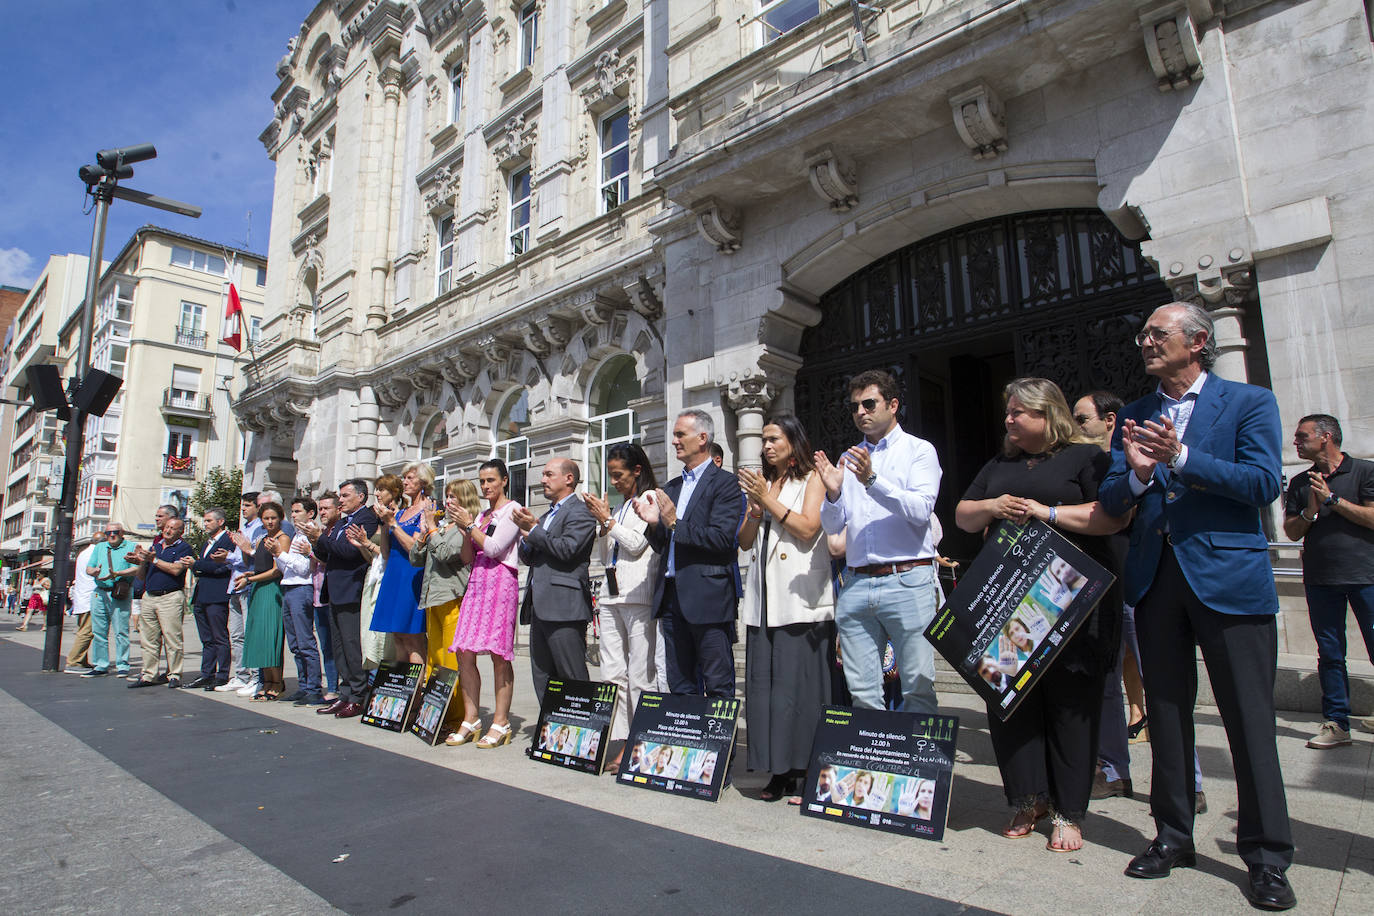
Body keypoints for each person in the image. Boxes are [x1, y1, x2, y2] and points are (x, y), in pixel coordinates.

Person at [1100, 302, 1295, 910]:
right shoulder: (1133, 415)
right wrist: (1134, 476)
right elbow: (1111, 497)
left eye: (1158, 333)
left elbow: (1264, 483)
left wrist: (1182, 458)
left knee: (1248, 720)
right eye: (1144, 335)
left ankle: (1265, 856)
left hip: (1229, 579)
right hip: (1157, 582)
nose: (1146, 343)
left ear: (1198, 340)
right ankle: (1173, 835)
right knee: (1166, 714)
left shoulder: (1248, 403)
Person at [956, 377, 1126, 853]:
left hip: (1068, 598)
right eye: (1007, 413)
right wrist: (992, 505)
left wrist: (1045, 512)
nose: (1008, 420)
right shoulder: (999, 463)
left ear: (1046, 415)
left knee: (1071, 704)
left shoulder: (1086, 457)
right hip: (1008, 603)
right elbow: (963, 516)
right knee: (1009, 704)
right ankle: (1027, 797)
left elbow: (1111, 517)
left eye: (1018, 413)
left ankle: (1069, 812)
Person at [815, 369, 943, 715]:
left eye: (869, 403)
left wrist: (871, 479)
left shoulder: (919, 451)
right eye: (855, 406)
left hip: (906, 578)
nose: (861, 412)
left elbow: (920, 510)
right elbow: (832, 525)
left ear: (893, 404)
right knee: (862, 692)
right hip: (857, 581)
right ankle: (872, 766)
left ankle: (918, 765)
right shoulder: (849, 457)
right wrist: (834, 492)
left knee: (917, 685)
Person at [737, 415, 835, 802]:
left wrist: (768, 500)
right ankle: (777, 770)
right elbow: (745, 542)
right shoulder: (767, 484)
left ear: (794, 441)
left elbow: (810, 529)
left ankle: (806, 768)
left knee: (799, 692)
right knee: (767, 691)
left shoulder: (812, 478)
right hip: (764, 601)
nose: (766, 446)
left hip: (800, 600)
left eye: (774, 438)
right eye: (763, 440)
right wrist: (756, 509)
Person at [637, 409, 745, 698]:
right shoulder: (671, 487)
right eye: (674, 435)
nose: (673, 441)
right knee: (681, 685)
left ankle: (722, 744)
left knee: (718, 684)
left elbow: (723, 539)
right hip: (672, 599)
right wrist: (654, 526)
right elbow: (664, 546)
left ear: (702, 438)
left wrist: (674, 523)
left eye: (679, 434)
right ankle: (689, 744)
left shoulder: (726, 484)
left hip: (707, 598)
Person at [1282, 413, 1374, 749]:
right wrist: (1310, 509)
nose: (1295, 442)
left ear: (1326, 437)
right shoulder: (1300, 482)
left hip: (1367, 576)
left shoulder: (1365, 471)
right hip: (1321, 579)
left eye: (1302, 436)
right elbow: (1292, 532)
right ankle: (1337, 722)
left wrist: (1334, 500)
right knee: (1331, 653)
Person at [584, 443, 660, 769]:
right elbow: (606, 555)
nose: (614, 481)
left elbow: (637, 544)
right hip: (611, 595)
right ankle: (621, 740)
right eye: (611, 476)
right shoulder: (620, 507)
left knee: (641, 673)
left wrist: (609, 522)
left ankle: (644, 742)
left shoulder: (649, 499)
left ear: (637, 471)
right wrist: (604, 525)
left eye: (619, 475)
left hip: (638, 594)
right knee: (613, 672)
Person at [448, 460, 521, 746]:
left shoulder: (512, 510)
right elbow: (468, 556)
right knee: (464, 649)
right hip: (477, 582)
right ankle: (471, 717)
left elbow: (493, 548)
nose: (486, 486)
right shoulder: (482, 516)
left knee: (498, 654)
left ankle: (501, 721)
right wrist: (465, 528)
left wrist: (469, 525)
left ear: (504, 480)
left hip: (501, 581)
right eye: (482, 481)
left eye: (491, 480)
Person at [513, 458, 598, 706]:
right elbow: (530, 556)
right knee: (542, 676)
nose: (542, 480)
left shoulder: (580, 511)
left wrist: (535, 531)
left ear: (568, 479)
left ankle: (583, 735)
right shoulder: (547, 514)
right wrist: (525, 533)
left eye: (549, 474)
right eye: (543, 474)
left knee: (572, 676)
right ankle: (550, 734)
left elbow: (567, 550)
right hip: (540, 606)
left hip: (565, 608)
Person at [411, 478, 479, 740]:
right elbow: (416, 559)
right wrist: (422, 534)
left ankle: (459, 717)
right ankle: (438, 714)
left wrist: (431, 529)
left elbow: (444, 554)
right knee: (435, 660)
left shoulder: (463, 526)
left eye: (454, 497)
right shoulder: (440, 526)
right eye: (447, 496)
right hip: (432, 599)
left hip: (453, 598)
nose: (448, 501)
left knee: (452, 661)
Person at [305, 479, 380, 718]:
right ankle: (345, 692)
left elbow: (350, 552)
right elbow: (325, 552)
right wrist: (315, 539)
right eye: (340, 495)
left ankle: (359, 694)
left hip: (351, 589)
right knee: (338, 646)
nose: (341, 500)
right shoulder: (341, 523)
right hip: (335, 590)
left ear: (361, 497)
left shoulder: (365, 519)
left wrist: (322, 538)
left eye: (346, 495)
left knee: (351, 644)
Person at [367, 463, 435, 665]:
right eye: (404, 477)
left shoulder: (428, 509)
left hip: (411, 576)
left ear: (423, 481)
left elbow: (415, 547)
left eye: (410, 478)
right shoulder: (400, 512)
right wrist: (384, 522)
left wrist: (394, 525)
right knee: (396, 636)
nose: (405, 482)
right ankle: (401, 692)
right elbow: (386, 552)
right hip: (393, 575)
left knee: (412, 637)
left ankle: (415, 691)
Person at [129, 517, 192, 688]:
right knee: (148, 639)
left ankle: (174, 674)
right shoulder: (155, 547)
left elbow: (176, 569)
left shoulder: (183, 548)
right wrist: (141, 560)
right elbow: (141, 576)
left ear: (181, 532)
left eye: (173, 528)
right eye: (167, 527)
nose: (168, 530)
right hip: (150, 596)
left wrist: (154, 560)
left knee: (172, 638)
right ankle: (148, 674)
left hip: (170, 596)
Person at [275, 497, 325, 705]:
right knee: (295, 642)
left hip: (301, 588)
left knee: (305, 641)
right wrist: (278, 555)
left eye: (297, 511)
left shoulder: (308, 535)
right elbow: (285, 567)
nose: (293, 515)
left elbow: (305, 568)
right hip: (289, 586)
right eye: (292, 511)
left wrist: (281, 555)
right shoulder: (297, 535)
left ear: (310, 513)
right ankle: (304, 686)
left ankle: (313, 688)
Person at [353, 474, 404, 669]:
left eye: (382, 489)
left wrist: (368, 543)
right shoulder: (380, 518)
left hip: (391, 579)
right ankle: (378, 684)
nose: (377, 493)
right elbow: (378, 556)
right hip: (375, 576)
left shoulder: (400, 516)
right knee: (370, 633)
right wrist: (363, 545)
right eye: (377, 489)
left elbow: (391, 554)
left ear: (395, 492)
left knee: (389, 639)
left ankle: (393, 680)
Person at [186, 508, 236, 689]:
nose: (205, 524)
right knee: (206, 638)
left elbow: (222, 567)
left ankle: (222, 674)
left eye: (209, 521)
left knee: (219, 636)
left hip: (216, 595)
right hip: (202, 594)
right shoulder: (208, 542)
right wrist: (196, 566)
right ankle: (207, 673)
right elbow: (205, 566)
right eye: (205, 521)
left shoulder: (227, 540)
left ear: (220, 521)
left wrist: (197, 564)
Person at [83, 524, 138, 679]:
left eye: (115, 532)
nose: (112, 535)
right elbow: (89, 568)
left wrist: (117, 573)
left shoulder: (132, 546)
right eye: (108, 533)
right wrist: (93, 572)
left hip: (119, 592)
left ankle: (122, 665)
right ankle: (100, 665)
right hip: (100, 592)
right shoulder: (100, 547)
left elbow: (136, 568)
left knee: (121, 631)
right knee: (98, 631)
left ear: (122, 533)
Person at [220, 492, 261, 694]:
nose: (243, 509)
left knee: (249, 632)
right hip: (234, 584)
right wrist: (228, 555)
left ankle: (255, 676)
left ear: (257, 507)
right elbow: (239, 555)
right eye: (242, 506)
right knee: (236, 634)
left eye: (247, 505)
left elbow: (255, 556)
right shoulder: (243, 528)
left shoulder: (259, 528)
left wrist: (234, 554)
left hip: (247, 583)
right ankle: (241, 675)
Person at [306, 494, 340, 702]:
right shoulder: (320, 533)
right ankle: (332, 685)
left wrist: (315, 547)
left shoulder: (336, 532)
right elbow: (313, 565)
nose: (323, 512)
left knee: (338, 644)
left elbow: (331, 558)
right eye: (321, 508)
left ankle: (339, 687)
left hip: (333, 595)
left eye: (327, 508)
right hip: (318, 594)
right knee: (326, 645)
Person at [63, 542, 99, 674]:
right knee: (87, 632)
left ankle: (82, 660)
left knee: (84, 629)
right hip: (89, 598)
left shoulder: (83, 553)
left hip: (81, 597)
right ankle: (74, 661)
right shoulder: (95, 554)